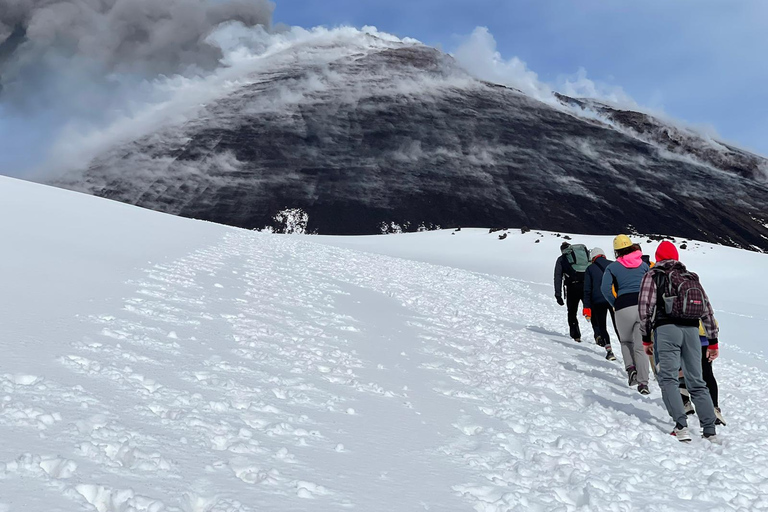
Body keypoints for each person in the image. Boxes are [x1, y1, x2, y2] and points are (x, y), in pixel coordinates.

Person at [639, 241, 719, 442]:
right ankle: (709, 429)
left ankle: (681, 426)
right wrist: (713, 341)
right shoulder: (690, 277)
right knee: (697, 380)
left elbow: (645, 308)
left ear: (658, 257)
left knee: (668, 379)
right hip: (692, 331)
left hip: (666, 330)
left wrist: (646, 337)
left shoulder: (653, 275)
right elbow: (707, 309)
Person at [600, 235, 651, 394]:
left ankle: (631, 371)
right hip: (642, 307)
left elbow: (605, 289)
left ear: (616, 251)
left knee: (625, 342)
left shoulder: (612, 267)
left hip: (622, 307)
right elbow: (651, 285)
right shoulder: (643, 265)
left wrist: (615, 303)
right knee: (640, 346)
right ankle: (643, 384)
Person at [679, 320, 726, 426]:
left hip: (686, 338)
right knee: (707, 374)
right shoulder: (704, 303)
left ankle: (685, 402)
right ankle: (714, 407)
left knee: (682, 370)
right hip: (705, 340)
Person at [583, 247, 617, 361]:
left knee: (602, 326)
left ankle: (609, 351)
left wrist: (586, 307)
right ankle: (627, 350)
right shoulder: (613, 265)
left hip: (597, 301)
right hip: (613, 300)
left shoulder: (590, 269)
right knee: (618, 326)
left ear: (592, 257)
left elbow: (587, 289)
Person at [554, 242, 590, 342]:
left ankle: (576, 335)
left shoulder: (562, 259)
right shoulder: (583, 257)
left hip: (572, 287)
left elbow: (558, 277)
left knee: (572, 312)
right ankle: (599, 335)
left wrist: (558, 294)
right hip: (586, 286)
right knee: (592, 310)